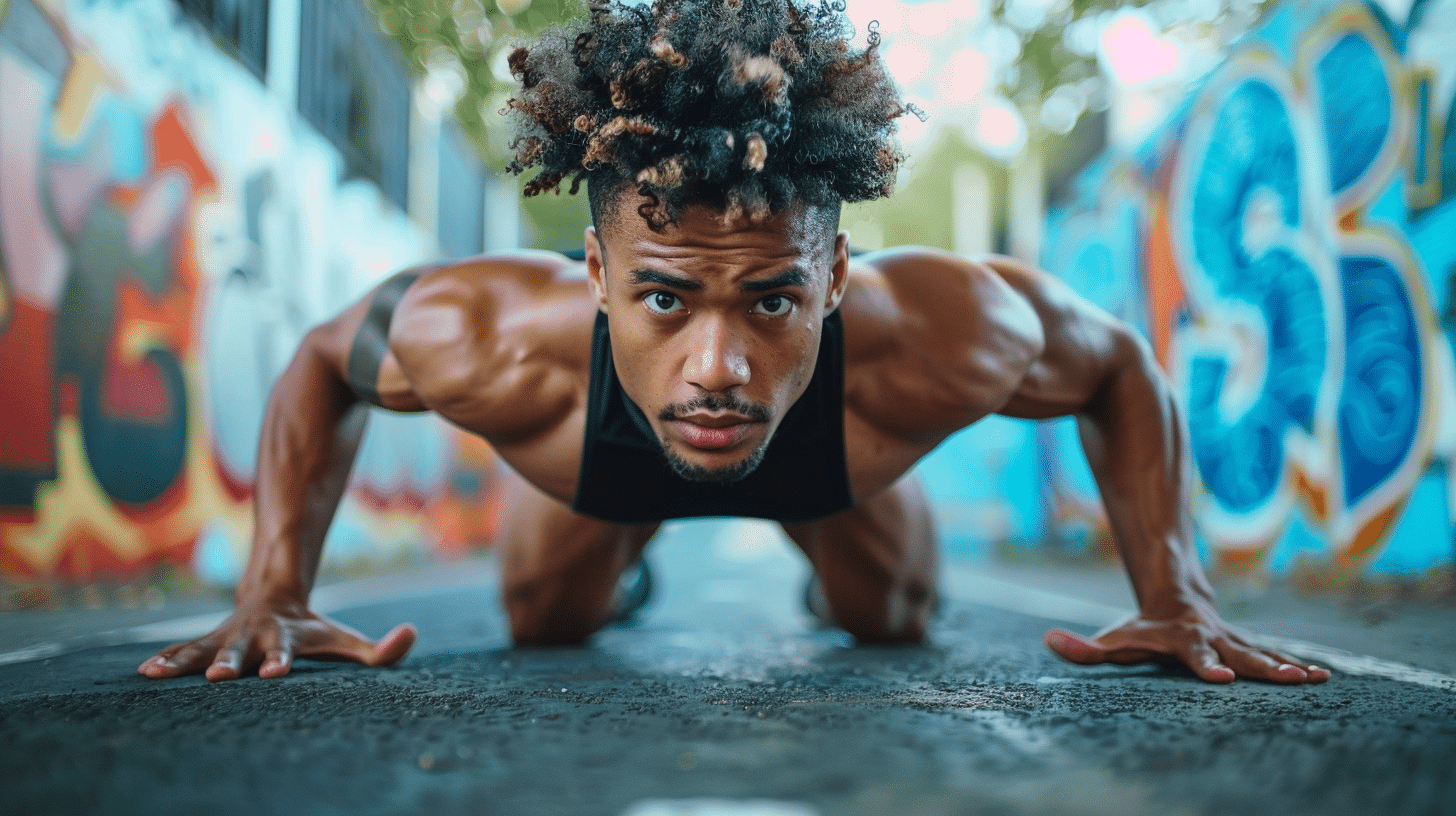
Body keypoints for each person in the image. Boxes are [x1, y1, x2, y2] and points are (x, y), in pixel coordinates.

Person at [139, 0, 1327, 686]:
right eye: (663, 300)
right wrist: (275, 591)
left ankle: (814, 546)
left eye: (769, 300)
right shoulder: (494, 337)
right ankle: (632, 551)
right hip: (599, 472)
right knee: (542, 627)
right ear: (594, 274)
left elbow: (1117, 364)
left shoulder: (938, 335)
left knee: (888, 620)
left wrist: (1174, 594)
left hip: (832, 462)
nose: (717, 364)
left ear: (837, 275)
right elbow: (317, 364)